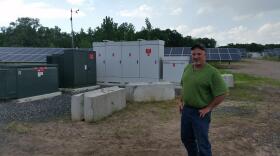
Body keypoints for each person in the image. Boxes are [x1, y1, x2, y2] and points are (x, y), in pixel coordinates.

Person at [179, 44, 228, 156]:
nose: (196, 56)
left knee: (202, 143)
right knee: (186, 138)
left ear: (205, 55)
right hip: (186, 111)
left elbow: (223, 93)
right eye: (193, 54)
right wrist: (180, 101)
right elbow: (184, 85)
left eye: (199, 54)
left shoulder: (212, 72)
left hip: (200, 113)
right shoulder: (187, 68)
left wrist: (208, 108)